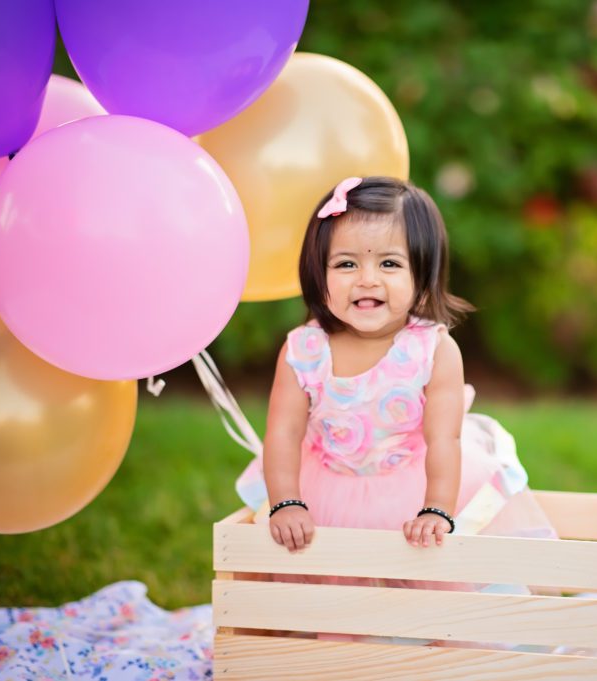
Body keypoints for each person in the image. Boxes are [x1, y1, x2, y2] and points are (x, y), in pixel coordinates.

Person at [235, 176, 555, 559]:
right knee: (321, 574)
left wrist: (436, 508)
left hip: (412, 484)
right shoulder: (303, 350)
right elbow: (284, 433)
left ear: (421, 279)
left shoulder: (433, 350)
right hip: (326, 486)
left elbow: (444, 440)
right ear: (319, 277)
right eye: (346, 263)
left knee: (420, 569)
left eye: (389, 263)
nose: (367, 280)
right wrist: (286, 501)